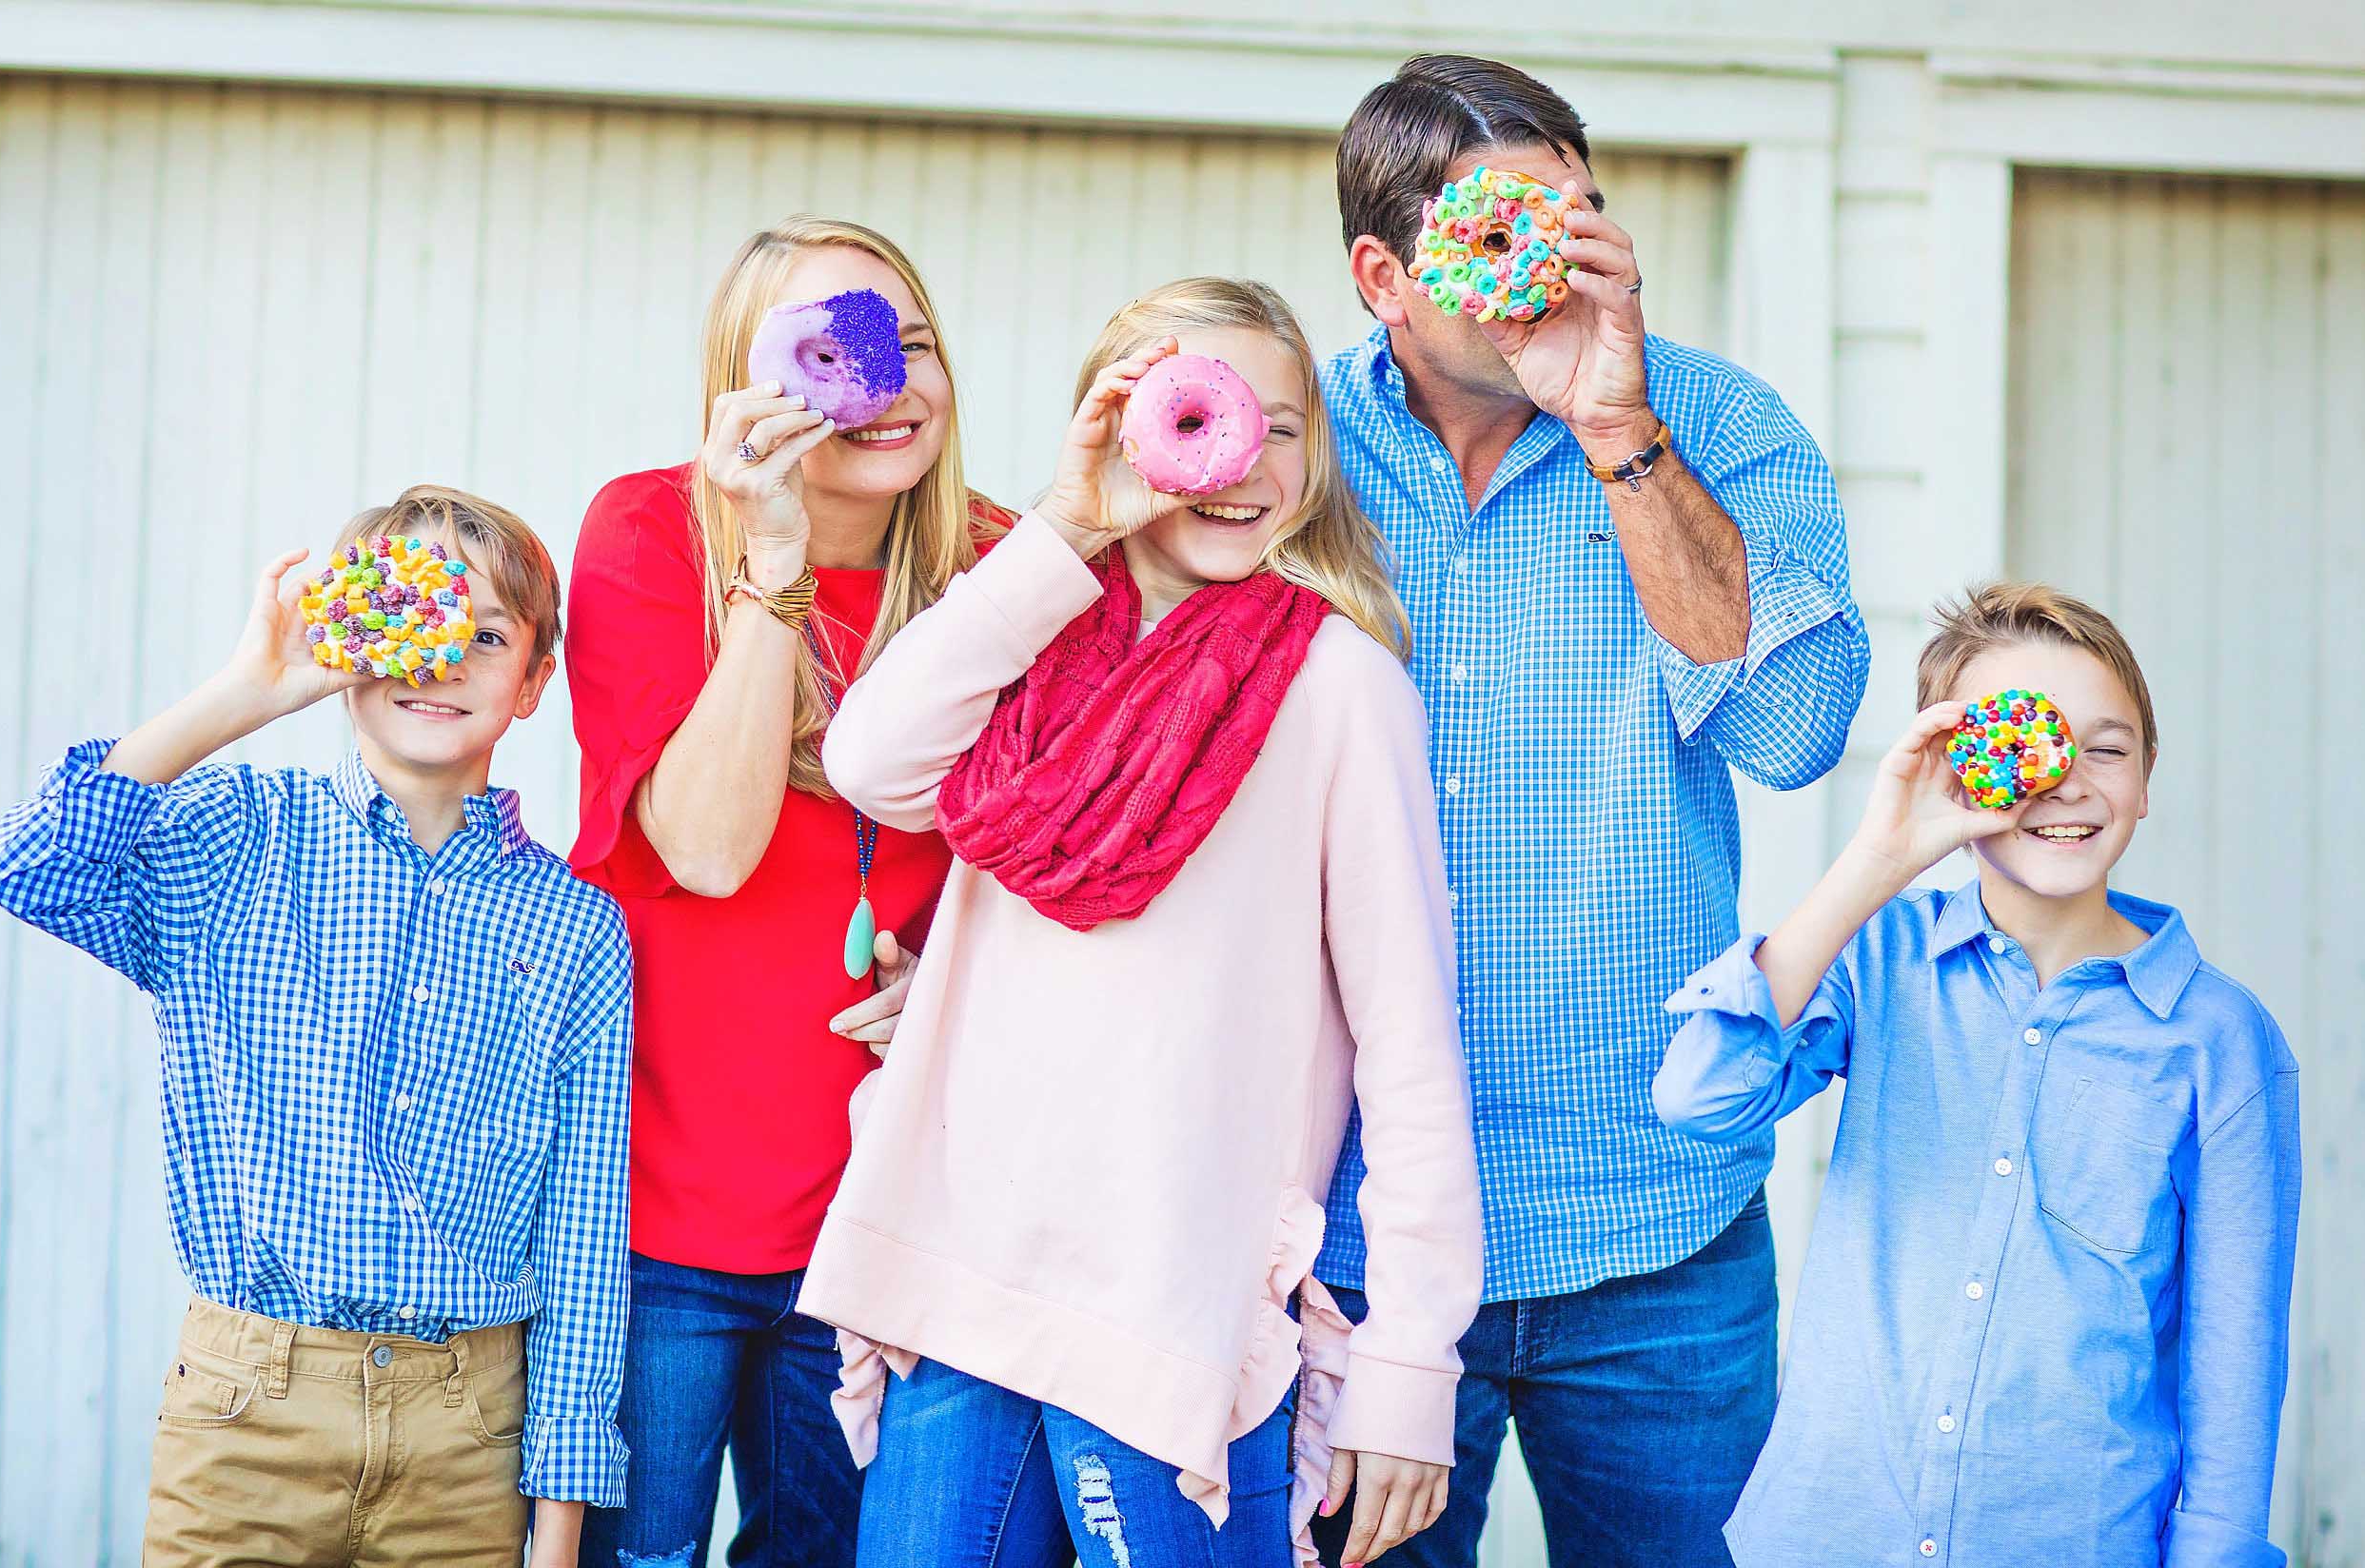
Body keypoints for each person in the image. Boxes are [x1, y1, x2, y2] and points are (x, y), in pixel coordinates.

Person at [798, 278, 1483, 1568]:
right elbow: (873, 761)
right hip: (970, 1280)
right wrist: (1066, 526)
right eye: (1197, 415)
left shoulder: (1343, 688)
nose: (1242, 462)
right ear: (1119, 428)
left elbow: (1408, 1048)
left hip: (1175, 1306)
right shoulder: (1027, 634)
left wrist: (1410, 1361)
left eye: (1284, 429)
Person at [1312, 52, 1871, 1568]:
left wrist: (1618, 425)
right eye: (1505, 226)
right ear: (1386, 273)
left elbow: (1796, 731)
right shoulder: (1282, 452)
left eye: (1579, 214)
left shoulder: (1717, 425)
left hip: (1655, 1225)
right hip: (1353, 1229)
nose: (1551, 257)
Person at [0, 486, 630, 1567]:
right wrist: (249, 691)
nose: (440, 661)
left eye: (483, 636)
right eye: (408, 623)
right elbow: (30, 865)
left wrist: (558, 1535)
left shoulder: (576, 927)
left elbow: (583, 1240)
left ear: (533, 681)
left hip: (468, 1432)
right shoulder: (235, 835)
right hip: (248, 1415)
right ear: (348, 636)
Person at [1653, 583, 2300, 1567]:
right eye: (2026, 746)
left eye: (2106, 748)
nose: (2067, 782)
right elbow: (1701, 1095)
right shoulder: (1877, 959)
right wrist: (1877, 859)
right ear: (1961, 766)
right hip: (1829, 1537)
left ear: (2147, 772)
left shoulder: (2219, 1042)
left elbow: (2234, 1364)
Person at [565, 217, 1014, 1568]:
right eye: (832, 350)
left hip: (882, 1220)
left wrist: (956, 976)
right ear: (747, 381)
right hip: (659, 1212)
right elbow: (706, 848)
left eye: (910, 345)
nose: (882, 385)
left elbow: (1050, 865)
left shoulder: (995, 566)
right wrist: (770, 564)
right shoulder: (649, 531)